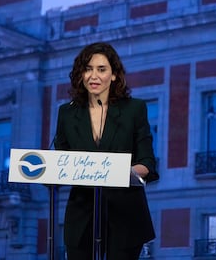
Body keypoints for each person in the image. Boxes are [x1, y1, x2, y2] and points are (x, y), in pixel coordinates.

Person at [54, 42, 159, 260]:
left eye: (101, 69)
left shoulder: (134, 109)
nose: (94, 75)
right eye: (88, 69)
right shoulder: (67, 113)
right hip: (82, 216)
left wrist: (120, 172)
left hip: (126, 215)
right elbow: (59, 162)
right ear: (80, 74)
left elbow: (147, 162)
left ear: (113, 75)